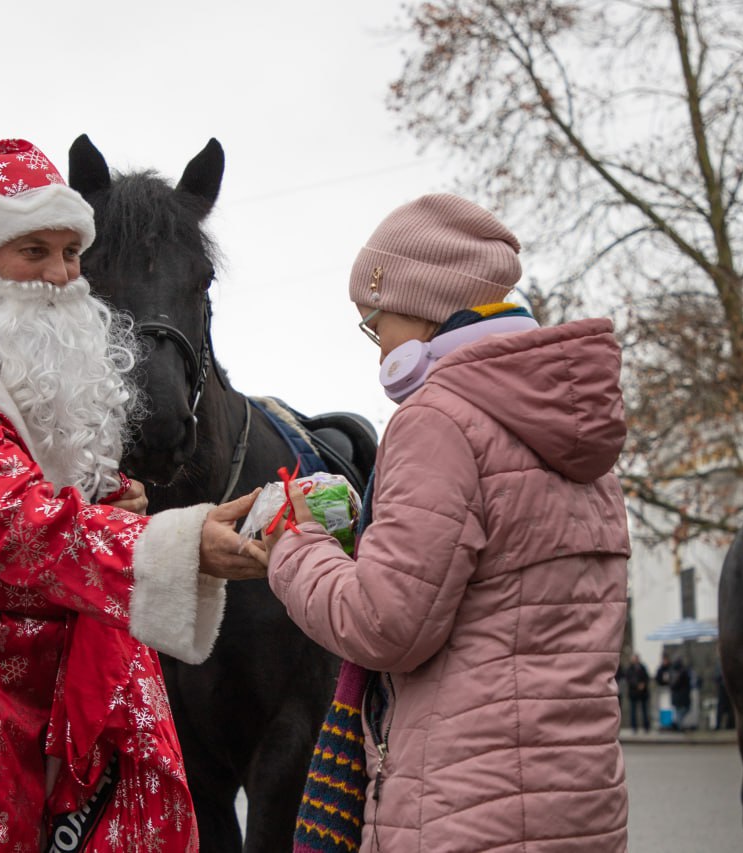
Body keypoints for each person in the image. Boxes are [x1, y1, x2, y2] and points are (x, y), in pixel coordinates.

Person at [0, 138, 265, 852]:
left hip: (57, 682)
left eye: (72, 253)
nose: (60, 275)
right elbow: (21, 524)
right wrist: (178, 542)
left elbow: (56, 480)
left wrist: (117, 496)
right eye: (35, 253)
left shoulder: (31, 366)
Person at [262, 194, 631, 851]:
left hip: (465, 811)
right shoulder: (578, 437)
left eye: (375, 327)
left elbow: (384, 624)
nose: (377, 353)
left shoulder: (438, 421)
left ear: (424, 311)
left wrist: (294, 540)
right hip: (579, 805)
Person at [627, 653, 652, 734]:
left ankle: (646, 727)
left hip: (643, 693)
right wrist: (637, 685)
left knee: (644, 710)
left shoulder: (643, 667)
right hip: (633, 692)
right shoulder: (630, 669)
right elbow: (629, 679)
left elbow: (646, 678)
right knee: (633, 711)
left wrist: (643, 684)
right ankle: (634, 727)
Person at [671, 657, 693, 731]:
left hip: (677, 695)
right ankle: (678, 725)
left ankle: (677, 724)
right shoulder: (682, 672)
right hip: (681, 695)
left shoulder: (673, 671)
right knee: (685, 709)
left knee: (679, 711)